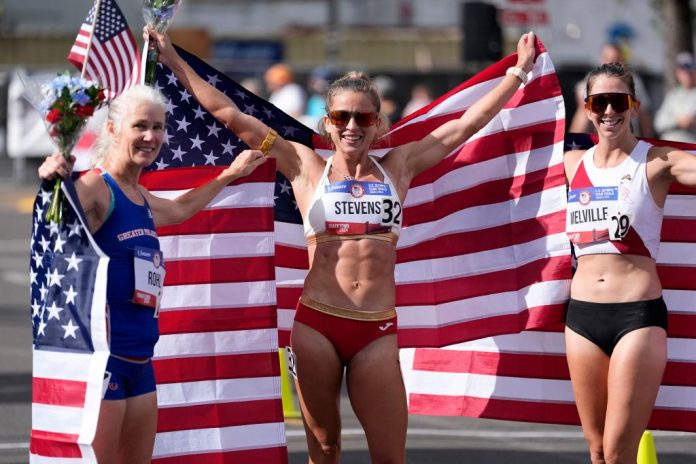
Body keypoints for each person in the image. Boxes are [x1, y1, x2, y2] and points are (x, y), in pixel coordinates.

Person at [149, 27, 536, 463]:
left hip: (377, 329)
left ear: (377, 123)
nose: (352, 126)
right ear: (327, 123)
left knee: (390, 455)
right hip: (317, 325)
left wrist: (518, 73)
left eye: (363, 118)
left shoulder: (400, 166)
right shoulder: (303, 165)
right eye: (341, 118)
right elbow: (231, 115)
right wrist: (174, 63)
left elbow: (465, 125)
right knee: (325, 449)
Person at [37, 84, 267, 464]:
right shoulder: (95, 187)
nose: (151, 136)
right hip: (104, 363)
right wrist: (50, 181)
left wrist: (230, 175)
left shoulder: (140, 197)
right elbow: (55, 224)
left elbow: (180, 210)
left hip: (141, 364)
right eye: (140, 126)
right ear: (112, 129)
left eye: (158, 127)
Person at [564, 62, 696, 464]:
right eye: (599, 102)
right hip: (582, 319)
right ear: (587, 108)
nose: (608, 111)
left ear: (634, 107)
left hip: (637, 318)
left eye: (617, 101)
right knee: (598, 451)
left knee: (620, 451)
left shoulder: (656, 162)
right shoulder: (571, 164)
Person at [569, 43, 653, 137]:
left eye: (620, 100)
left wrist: (647, 142)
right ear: (601, 59)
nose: (609, 111)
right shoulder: (591, 80)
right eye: (599, 101)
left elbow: (644, 114)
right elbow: (581, 106)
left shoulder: (634, 80)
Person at [654, 52, 696, 143]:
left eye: (690, 69)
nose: (686, 73)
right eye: (682, 70)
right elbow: (659, 123)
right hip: (669, 146)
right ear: (677, 73)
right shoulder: (672, 95)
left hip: (690, 147)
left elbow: (689, 120)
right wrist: (678, 121)